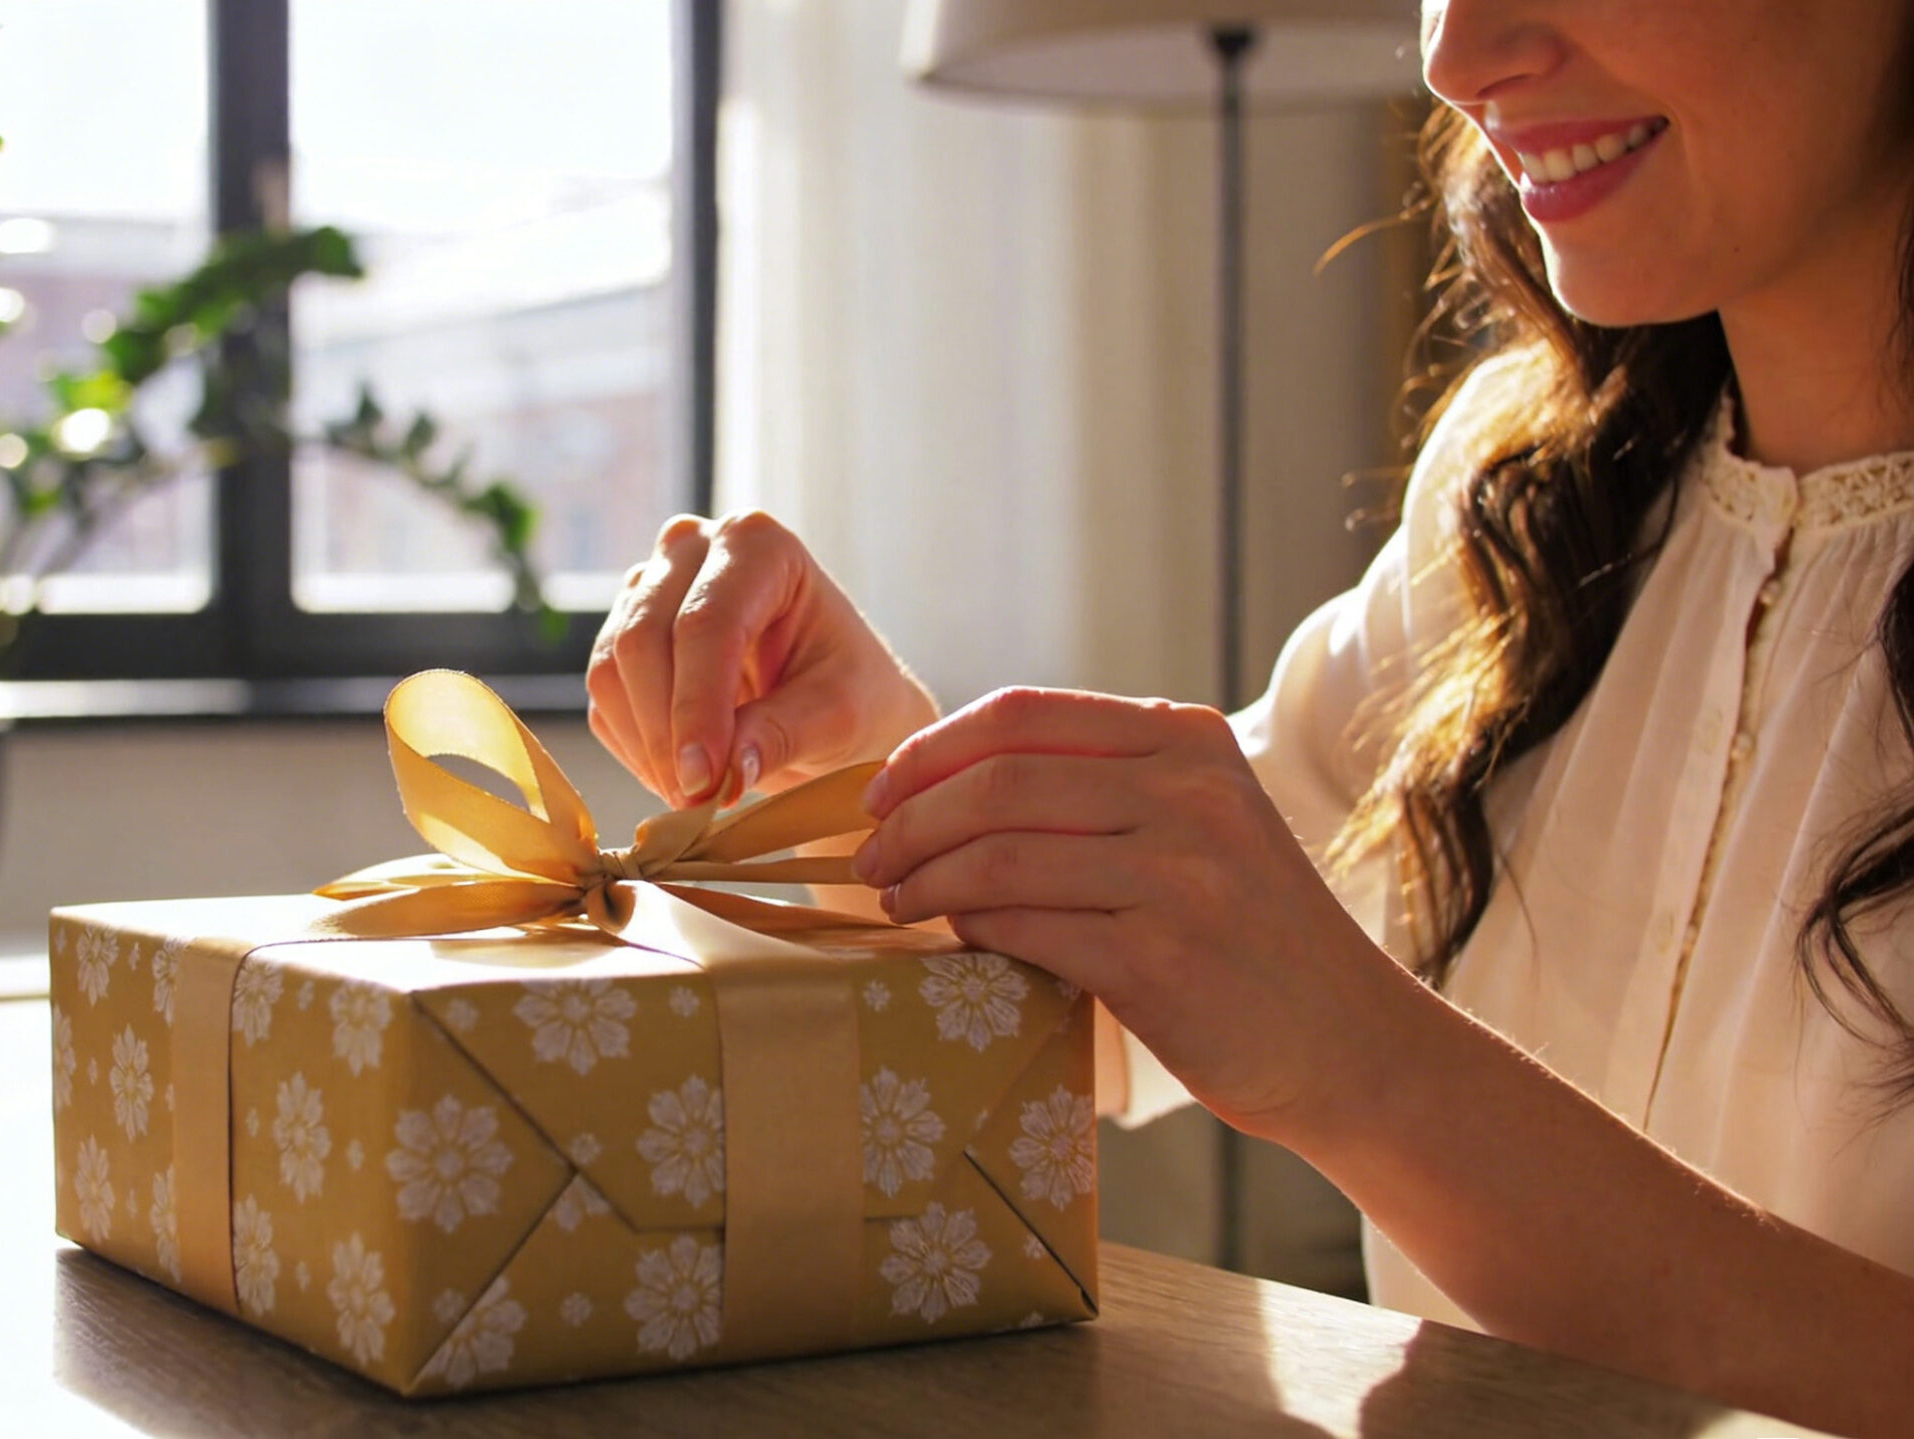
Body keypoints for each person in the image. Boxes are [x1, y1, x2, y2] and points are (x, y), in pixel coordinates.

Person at [584, 0, 1914, 1430]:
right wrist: (866, 790)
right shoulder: (1527, 507)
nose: (1455, 57)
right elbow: (1138, 999)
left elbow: (1296, 1009)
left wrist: (1374, 1071)